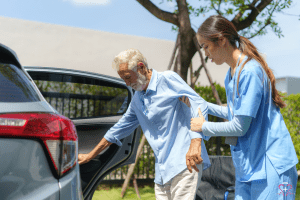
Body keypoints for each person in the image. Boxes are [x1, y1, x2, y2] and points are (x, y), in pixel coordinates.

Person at [184, 15, 298, 199]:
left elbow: (239, 126)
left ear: (221, 40)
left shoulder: (250, 72)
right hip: (249, 166)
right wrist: (205, 106)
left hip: (272, 166)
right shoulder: (231, 75)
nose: (205, 53)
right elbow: (233, 113)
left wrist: (203, 126)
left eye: (205, 46)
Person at [78, 48, 211, 199]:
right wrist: (90, 155)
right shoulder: (137, 100)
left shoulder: (167, 79)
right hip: (162, 170)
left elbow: (199, 104)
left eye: (128, 77)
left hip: (185, 161)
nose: (127, 84)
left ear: (141, 67)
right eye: (124, 80)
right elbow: (118, 129)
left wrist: (196, 143)